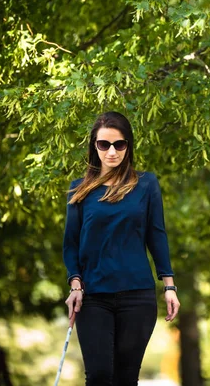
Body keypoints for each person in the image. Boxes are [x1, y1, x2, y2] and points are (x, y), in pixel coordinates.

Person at [63, 111, 180, 386]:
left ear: (128, 145)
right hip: (93, 298)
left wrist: (169, 286)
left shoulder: (146, 184)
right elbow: (71, 244)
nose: (112, 151)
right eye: (104, 144)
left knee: (126, 378)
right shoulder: (78, 190)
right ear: (94, 145)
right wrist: (75, 284)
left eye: (119, 144)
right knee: (100, 375)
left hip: (137, 296)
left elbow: (157, 235)